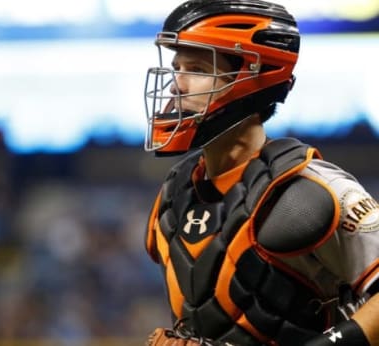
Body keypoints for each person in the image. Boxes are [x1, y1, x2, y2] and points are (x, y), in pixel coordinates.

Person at [142, 0, 379, 345]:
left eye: (195, 68)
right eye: (176, 67)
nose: (176, 85)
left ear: (253, 75)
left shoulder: (313, 190)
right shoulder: (174, 194)